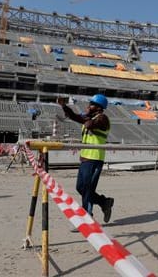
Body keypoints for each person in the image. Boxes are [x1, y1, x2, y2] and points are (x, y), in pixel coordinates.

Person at [58, 94, 114, 223]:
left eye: (91, 104)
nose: (88, 106)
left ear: (99, 108)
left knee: (88, 190)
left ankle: (87, 218)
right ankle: (104, 202)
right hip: (85, 158)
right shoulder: (91, 117)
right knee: (80, 188)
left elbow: (89, 125)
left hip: (94, 158)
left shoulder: (103, 119)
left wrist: (85, 116)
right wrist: (64, 107)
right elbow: (75, 117)